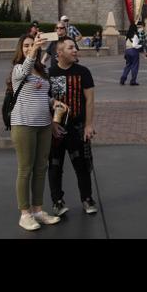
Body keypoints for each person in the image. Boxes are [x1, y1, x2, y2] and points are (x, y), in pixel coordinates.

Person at [9, 33, 66, 231]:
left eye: (32, 45)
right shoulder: (18, 69)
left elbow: (43, 96)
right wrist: (34, 51)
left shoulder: (40, 71)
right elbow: (25, 68)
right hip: (23, 124)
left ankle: (38, 210)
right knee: (25, 169)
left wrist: (54, 102)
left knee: (41, 168)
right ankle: (24, 214)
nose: (28, 47)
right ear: (20, 48)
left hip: (43, 125)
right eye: (25, 45)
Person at [48, 36, 98, 217]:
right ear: (59, 52)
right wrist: (52, 125)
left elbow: (90, 100)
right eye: (70, 48)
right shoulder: (50, 74)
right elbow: (46, 102)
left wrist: (89, 125)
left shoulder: (83, 72)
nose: (75, 50)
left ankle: (87, 198)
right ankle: (57, 201)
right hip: (56, 129)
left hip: (77, 127)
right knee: (55, 166)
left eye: (75, 47)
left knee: (82, 165)